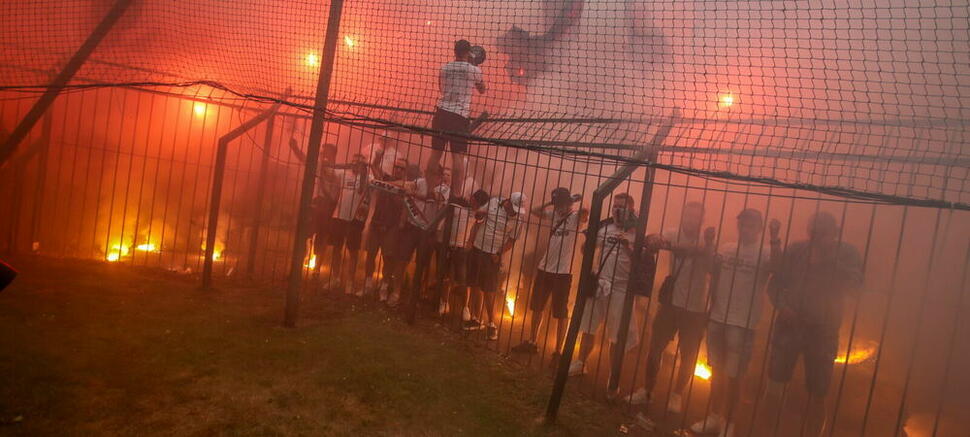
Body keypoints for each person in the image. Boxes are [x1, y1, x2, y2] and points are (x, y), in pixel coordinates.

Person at [760, 211, 863, 437]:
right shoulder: (796, 251)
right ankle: (767, 430)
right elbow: (775, 284)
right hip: (789, 327)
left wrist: (828, 260)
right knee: (775, 381)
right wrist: (782, 306)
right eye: (813, 231)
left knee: (818, 391)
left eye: (823, 233)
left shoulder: (847, 254)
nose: (817, 237)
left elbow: (855, 287)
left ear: (834, 233)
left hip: (823, 332)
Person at [690, 209, 782, 437]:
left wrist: (774, 237)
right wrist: (710, 242)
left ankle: (729, 424)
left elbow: (778, 269)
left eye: (751, 225)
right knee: (718, 372)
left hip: (743, 323)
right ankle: (713, 416)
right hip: (718, 318)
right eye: (742, 224)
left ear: (759, 228)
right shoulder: (727, 248)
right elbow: (712, 269)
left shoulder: (766, 252)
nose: (745, 229)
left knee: (735, 376)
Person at [635, 201, 715, 422]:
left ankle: (677, 394)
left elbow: (711, 268)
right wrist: (653, 239)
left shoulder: (707, 241)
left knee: (688, 355)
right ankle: (647, 390)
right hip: (670, 303)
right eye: (688, 216)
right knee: (654, 348)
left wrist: (706, 246)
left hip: (696, 308)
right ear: (683, 216)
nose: (690, 220)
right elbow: (653, 239)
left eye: (695, 217)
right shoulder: (672, 232)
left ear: (701, 220)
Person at [568, 193, 641, 378]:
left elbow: (642, 264)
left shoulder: (638, 234)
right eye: (614, 207)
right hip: (600, 284)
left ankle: (612, 376)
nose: (617, 210)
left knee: (617, 336)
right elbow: (586, 250)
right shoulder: (605, 228)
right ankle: (580, 362)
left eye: (621, 207)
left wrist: (628, 247)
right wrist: (587, 241)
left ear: (631, 210)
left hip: (621, 289)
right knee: (588, 326)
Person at [512, 188, 587, 356]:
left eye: (561, 204)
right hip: (544, 268)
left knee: (560, 313)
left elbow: (585, 213)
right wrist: (551, 203)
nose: (559, 208)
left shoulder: (575, 218)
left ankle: (559, 351)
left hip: (563, 273)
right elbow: (534, 210)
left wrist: (572, 202)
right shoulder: (553, 215)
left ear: (567, 203)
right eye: (557, 204)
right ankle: (532, 342)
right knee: (537, 307)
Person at [426, 39, 486, 197]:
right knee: (458, 156)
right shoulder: (473, 70)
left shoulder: (444, 68)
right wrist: (475, 67)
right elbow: (482, 90)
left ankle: (430, 191)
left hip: (441, 113)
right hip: (459, 116)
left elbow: (441, 88)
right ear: (468, 52)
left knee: (435, 153)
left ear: (455, 51)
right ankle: (456, 196)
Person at [466, 192, 527, 340]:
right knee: (474, 285)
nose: (514, 212)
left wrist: (499, 254)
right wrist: (479, 216)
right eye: (513, 208)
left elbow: (511, 242)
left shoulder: (519, 220)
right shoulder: (493, 202)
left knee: (489, 291)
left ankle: (492, 324)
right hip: (477, 248)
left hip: (492, 256)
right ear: (507, 202)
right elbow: (479, 218)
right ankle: (475, 318)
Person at [438, 189, 490, 327]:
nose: (475, 204)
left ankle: (465, 308)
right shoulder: (458, 206)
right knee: (446, 276)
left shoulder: (479, 214)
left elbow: (482, 218)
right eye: (474, 201)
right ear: (472, 198)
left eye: (478, 203)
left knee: (464, 280)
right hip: (450, 244)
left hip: (464, 249)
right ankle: (444, 302)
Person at [323, 152, 369, 294]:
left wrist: (365, 170)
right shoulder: (344, 173)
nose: (356, 165)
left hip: (355, 220)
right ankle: (335, 278)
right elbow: (328, 171)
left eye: (360, 163)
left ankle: (349, 282)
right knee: (336, 248)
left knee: (353, 251)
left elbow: (364, 188)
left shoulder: (368, 178)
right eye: (354, 162)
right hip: (339, 216)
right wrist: (325, 161)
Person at [364, 158, 408, 303]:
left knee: (388, 258)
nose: (398, 170)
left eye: (402, 168)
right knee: (370, 254)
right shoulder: (385, 178)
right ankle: (368, 284)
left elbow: (403, 202)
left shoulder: (406, 185)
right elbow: (375, 168)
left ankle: (384, 286)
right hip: (377, 222)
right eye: (397, 166)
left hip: (392, 226)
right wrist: (377, 156)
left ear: (405, 171)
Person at [311, 144, 340, 279]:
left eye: (326, 152)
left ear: (333, 154)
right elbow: (304, 159)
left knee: (323, 237)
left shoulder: (337, 171)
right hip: (316, 202)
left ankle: (316, 268)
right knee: (308, 233)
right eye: (322, 151)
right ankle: (302, 261)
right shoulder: (318, 164)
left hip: (327, 206)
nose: (323, 153)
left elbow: (333, 195)